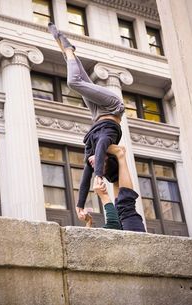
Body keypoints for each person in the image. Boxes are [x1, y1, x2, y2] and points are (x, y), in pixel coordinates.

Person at [48, 23, 124, 225]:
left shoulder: (91, 155)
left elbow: (84, 178)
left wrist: (79, 204)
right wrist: (100, 174)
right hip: (112, 108)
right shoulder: (108, 139)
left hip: (96, 115)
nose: (92, 163)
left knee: (80, 79)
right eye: (99, 164)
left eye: (95, 165)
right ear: (107, 158)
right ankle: (70, 50)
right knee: (74, 83)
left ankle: (65, 48)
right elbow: (100, 147)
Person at [91, 144, 146, 232]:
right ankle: (120, 155)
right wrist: (104, 196)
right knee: (125, 206)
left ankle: (115, 168)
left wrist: (88, 222)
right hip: (131, 232)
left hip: (127, 229)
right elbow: (113, 224)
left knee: (120, 207)